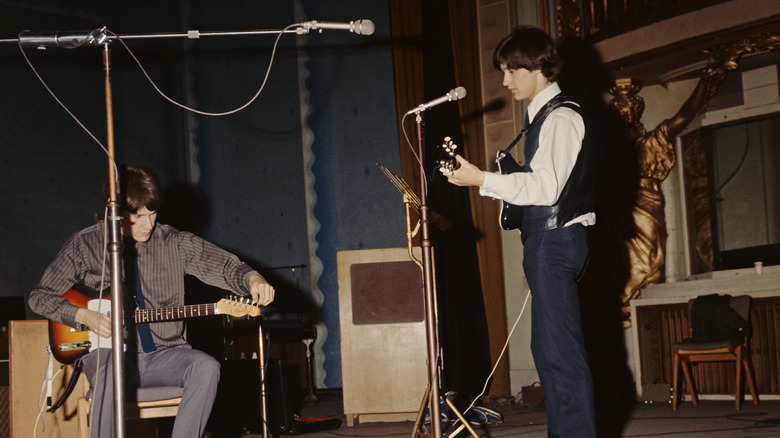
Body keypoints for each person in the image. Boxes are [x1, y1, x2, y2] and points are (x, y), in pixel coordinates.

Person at [29, 164, 275, 438]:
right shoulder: (84, 245)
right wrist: (82, 316)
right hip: (107, 357)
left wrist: (252, 279)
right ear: (115, 212)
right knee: (110, 369)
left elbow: (224, 266)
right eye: (136, 217)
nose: (148, 225)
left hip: (164, 355)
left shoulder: (174, 242)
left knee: (206, 367)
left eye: (152, 213)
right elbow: (39, 297)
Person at [441, 26, 596, 437]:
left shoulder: (561, 118)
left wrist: (481, 180)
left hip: (556, 240)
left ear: (540, 68)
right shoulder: (542, 118)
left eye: (511, 70)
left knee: (560, 355)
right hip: (548, 241)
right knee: (549, 352)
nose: (505, 80)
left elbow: (546, 188)